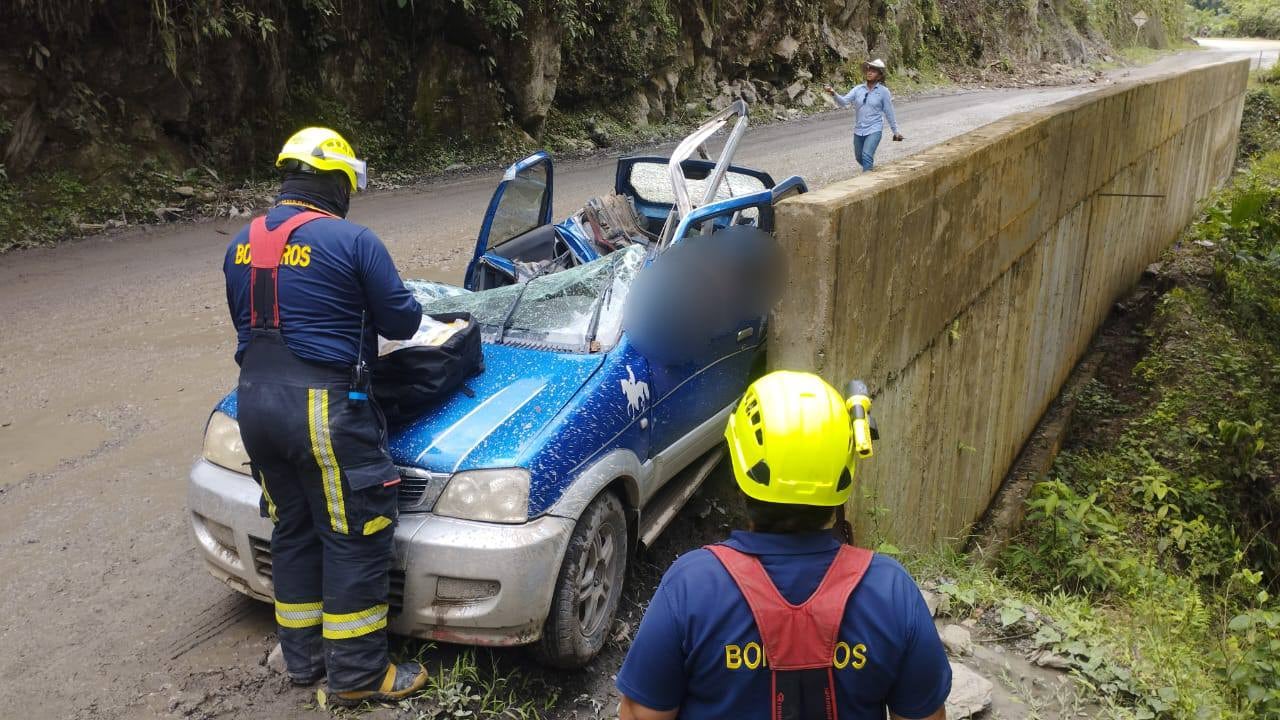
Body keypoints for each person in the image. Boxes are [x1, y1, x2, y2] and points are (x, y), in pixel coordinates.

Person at [222, 127, 428, 706]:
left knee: (292, 528)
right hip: (321, 410)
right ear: (337, 181)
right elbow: (403, 323)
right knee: (355, 532)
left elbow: (253, 325)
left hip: (253, 405)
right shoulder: (353, 241)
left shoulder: (240, 242)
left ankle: (303, 660)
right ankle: (360, 676)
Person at [616, 371, 951, 720]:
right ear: (843, 473)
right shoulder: (891, 591)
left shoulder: (691, 586)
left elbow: (641, 715)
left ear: (740, 469)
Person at [824, 59, 905, 173]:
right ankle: (870, 171)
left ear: (879, 76)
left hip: (874, 129)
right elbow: (844, 102)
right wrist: (833, 93)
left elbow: (889, 112)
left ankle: (867, 179)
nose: (870, 72)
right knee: (859, 157)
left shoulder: (883, 92)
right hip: (859, 130)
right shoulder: (858, 89)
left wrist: (895, 131)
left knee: (866, 155)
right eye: (869, 70)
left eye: (874, 71)